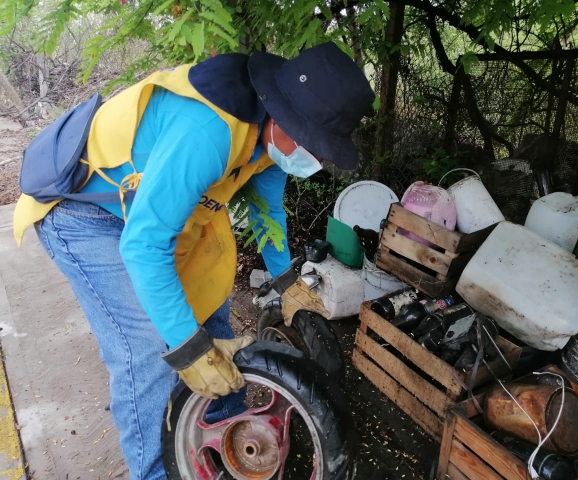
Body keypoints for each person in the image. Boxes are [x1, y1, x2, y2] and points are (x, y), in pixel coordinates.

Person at [12, 42, 375, 479]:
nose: (313, 159)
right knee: (148, 349)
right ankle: (156, 470)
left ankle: (226, 432)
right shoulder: (207, 131)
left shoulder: (273, 139)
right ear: (283, 115)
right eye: (312, 144)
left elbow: (268, 212)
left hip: (161, 210)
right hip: (86, 214)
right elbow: (144, 246)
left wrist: (286, 286)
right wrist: (187, 348)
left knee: (213, 308)